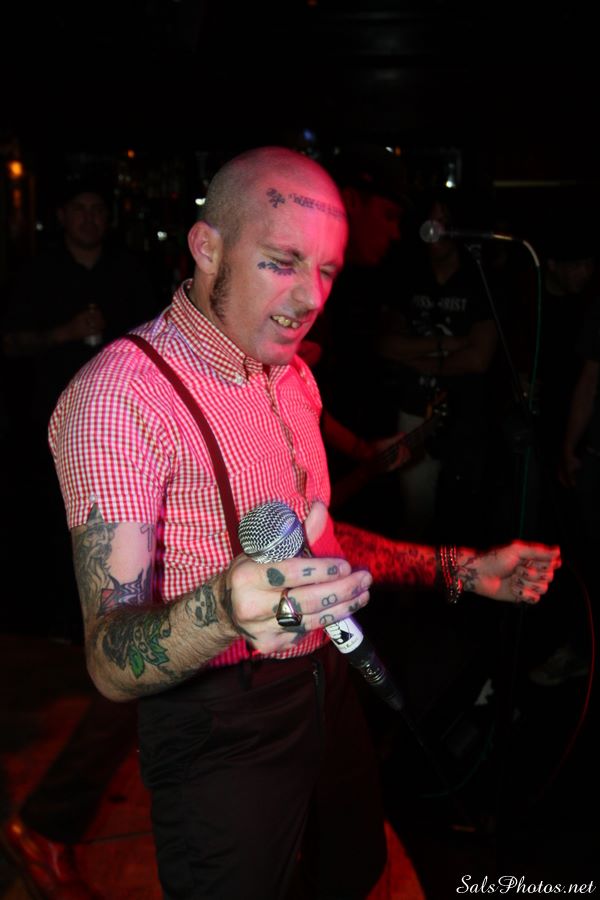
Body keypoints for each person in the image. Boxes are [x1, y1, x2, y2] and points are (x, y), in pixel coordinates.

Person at [45, 146, 559, 900]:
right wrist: (227, 608)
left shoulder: (292, 377)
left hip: (327, 686)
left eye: (326, 270)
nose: (310, 296)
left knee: (353, 878)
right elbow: (110, 658)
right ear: (207, 247)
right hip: (219, 725)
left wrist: (459, 568)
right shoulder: (119, 399)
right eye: (281, 262)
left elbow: (320, 548)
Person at [376, 189, 500, 544]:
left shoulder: (479, 281)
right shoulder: (408, 277)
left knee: (460, 519)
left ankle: (453, 578)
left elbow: (479, 358)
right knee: (415, 515)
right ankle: (418, 577)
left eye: (444, 221)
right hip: (413, 411)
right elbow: (386, 345)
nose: (435, 229)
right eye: (430, 220)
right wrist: (449, 345)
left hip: (466, 416)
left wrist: (417, 358)